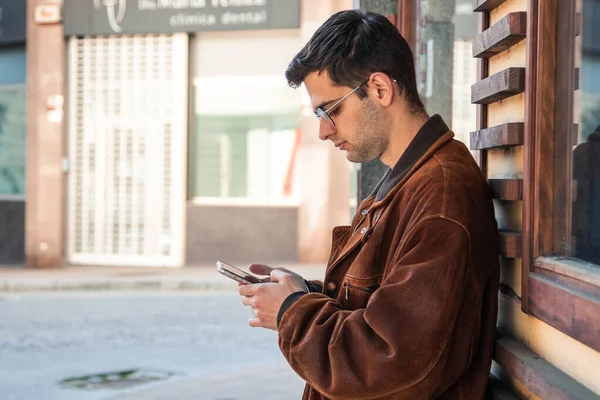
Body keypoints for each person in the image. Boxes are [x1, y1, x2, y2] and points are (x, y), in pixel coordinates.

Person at [238, 9, 500, 400]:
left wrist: (292, 312)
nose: (324, 130)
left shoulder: (441, 195)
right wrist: (301, 292)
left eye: (330, 109)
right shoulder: (410, 179)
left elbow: (390, 359)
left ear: (379, 89)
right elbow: (380, 309)